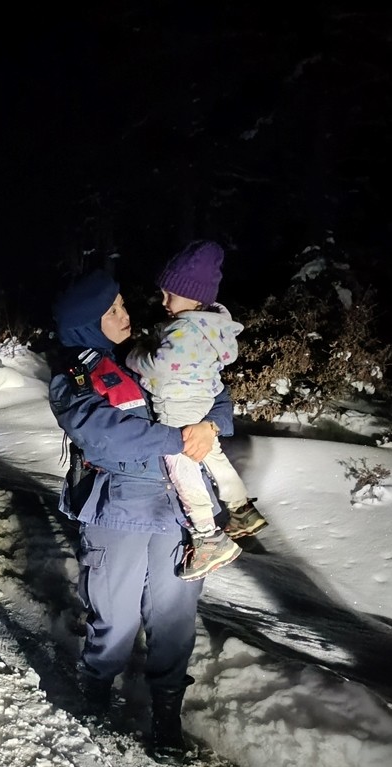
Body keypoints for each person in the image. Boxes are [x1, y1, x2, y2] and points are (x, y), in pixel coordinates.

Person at [47, 267, 234, 763]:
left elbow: (213, 390)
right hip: (118, 508)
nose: (125, 314)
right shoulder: (74, 377)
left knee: (174, 617)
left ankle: (166, 717)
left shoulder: (157, 351)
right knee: (117, 613)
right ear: (87, 324)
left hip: (179, 508)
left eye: (124, 304)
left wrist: (212, 424)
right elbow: (103, 433)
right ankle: (95, 695)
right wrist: (178, 438)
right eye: (112, 311)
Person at [124, 240, 268, 580]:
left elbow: (159, 366)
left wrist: (134, 355)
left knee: (183, 472)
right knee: (214, 457)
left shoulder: (183, 329)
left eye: (169, 295)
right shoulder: (211, 328)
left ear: (191, 295)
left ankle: (208, 537)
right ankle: (242, 508)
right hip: (200, 406)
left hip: (177, 412)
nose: (164, 302)